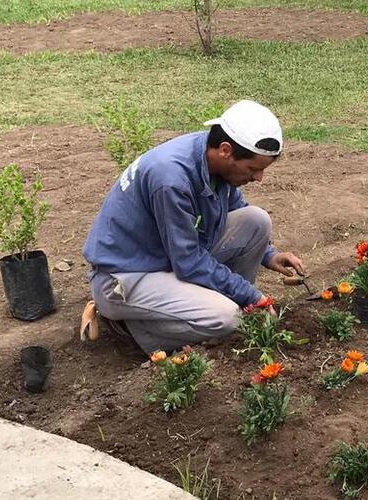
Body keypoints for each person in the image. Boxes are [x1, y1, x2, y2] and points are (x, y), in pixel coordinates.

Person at [83, 100, 306, 354]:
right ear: (226, 150)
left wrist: (270, 255)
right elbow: (188, 262)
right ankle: (134, 330)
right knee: (228, 318)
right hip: (125, 276)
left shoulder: (210, 156)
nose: (258, 178)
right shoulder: (171, 178)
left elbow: (234, 208)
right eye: (253, 168)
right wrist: (251, 296)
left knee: (256, 220)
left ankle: (210, 307)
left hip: (163, 258)